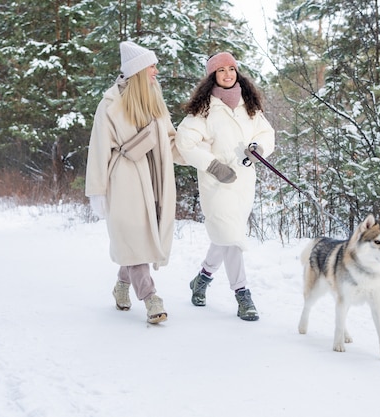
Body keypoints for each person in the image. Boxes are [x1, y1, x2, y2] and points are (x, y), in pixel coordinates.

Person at [175, 52, 275, 321]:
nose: (228, 74)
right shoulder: (204, 108)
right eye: (221, 70)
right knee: (231, 237)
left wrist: (258, 148)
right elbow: (184, 142)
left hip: (243, 183)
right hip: (216, 183)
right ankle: (242, 294)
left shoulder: (248, 104)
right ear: (213, 77)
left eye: (231, 69)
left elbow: (266, 133)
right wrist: (213, 166)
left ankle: (202, 280)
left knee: (226, 235)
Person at [85, 41, 179, 324]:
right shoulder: (110, 105)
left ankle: (121, 285)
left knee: (140, 239)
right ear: (138, 70)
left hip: (155, 179)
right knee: (134, 236)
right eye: (152, 65)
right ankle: (151, 298)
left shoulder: (154, 100)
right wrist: (97, 192)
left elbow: (172, 140)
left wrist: (205, 156)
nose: (156, 70)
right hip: (124, 179)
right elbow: (99, 148)